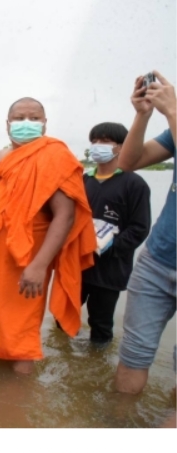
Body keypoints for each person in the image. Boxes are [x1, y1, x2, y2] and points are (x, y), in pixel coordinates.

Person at [0, 97, 97, 373]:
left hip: (23, 263)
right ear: (7, 125)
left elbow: (64, 216)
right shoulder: (0, 156)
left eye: (33, 118)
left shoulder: (55, 157)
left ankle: (21, 398)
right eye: (19, 118)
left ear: (44, 124)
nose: (26, 123)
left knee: (21, 333)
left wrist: (39, 266)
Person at [114, 71, 175, 398]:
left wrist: (174, 112)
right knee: (132, 354)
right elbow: (128, 161)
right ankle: (119, 421)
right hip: (157, 258)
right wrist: (143, 115)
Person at [81, 122, 152, 345]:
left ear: (121, 147)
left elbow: (140, 228)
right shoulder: (83, 180)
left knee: (101, 324)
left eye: (105, 141)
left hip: (110, 269)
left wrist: (109, 245)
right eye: (94, 141)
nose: (97, 146)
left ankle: (95, 366)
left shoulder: (134, 184)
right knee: (64, 316)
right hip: (78, 263)